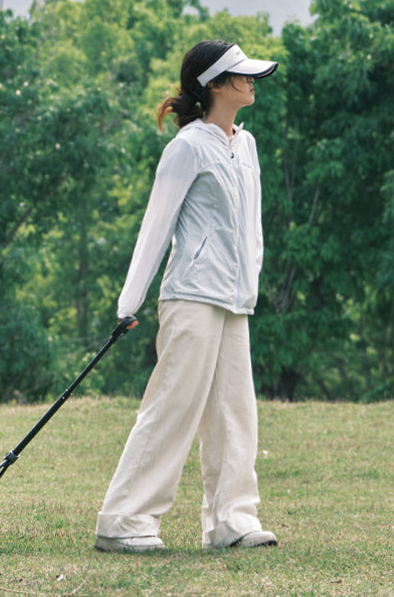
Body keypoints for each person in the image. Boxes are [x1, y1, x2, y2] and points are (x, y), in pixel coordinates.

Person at [94, 40, 279, 552]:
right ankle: (124, 521)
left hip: (233, 301)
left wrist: (250, 287)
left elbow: (253, 228)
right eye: (240, 75)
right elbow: (156, 228)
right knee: (173, 407)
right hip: (192, 297)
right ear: (214, 85)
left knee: (235, 413)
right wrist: (128, 304)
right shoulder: (187, 146)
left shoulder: (248, 144)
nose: (251, 82)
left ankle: (231, 521)